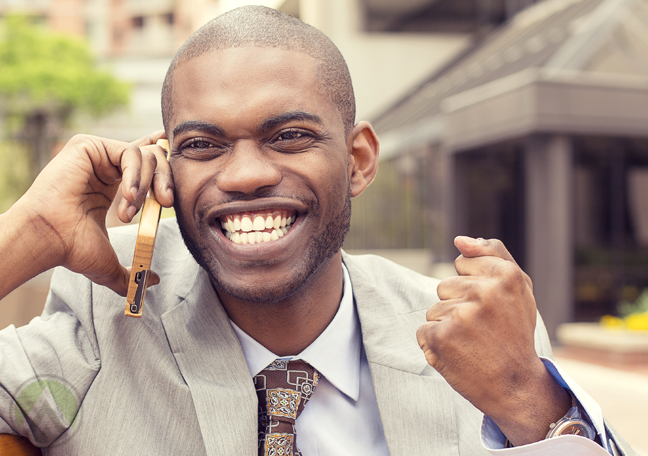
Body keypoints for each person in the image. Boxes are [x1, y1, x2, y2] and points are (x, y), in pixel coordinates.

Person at [0, 6, 635, 455]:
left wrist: (528, 399)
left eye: (290, 136)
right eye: (202, 144)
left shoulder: (479, 337)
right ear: (171, 168)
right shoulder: (101, 324)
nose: (246, 175)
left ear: (358, 161)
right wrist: (26, 231)